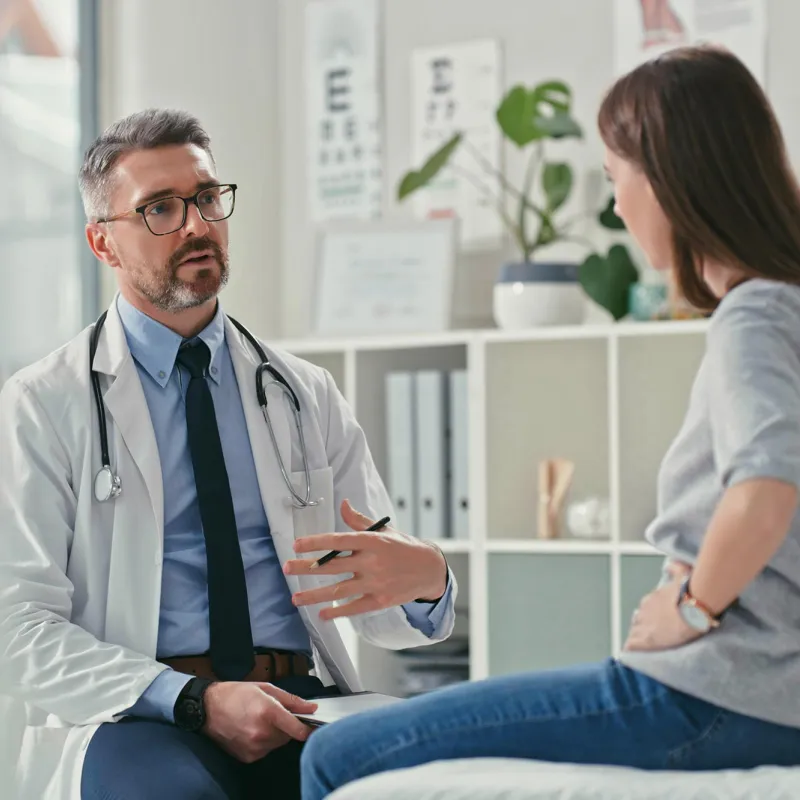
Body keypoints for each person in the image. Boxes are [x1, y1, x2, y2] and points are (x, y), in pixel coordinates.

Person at [300, 45, 800, 799]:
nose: (617, 205)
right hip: (760, 693)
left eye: (615, 178)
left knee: (336, 756)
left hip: (719, 692)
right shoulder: (786, 307)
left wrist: (689, 609)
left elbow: (765, 488)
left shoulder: (755, 318)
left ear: (668, 179)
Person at [0, 108, 457, 800]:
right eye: (159, 209)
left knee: (436, 784)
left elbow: (373, 606)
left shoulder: (304, 393)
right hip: (137, 710)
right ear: (103, 243)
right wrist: (191, 699)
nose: (195, 225)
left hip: (303, 699)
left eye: (207, 199)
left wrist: (427, 579)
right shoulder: (43, 403)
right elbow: (17, 628)